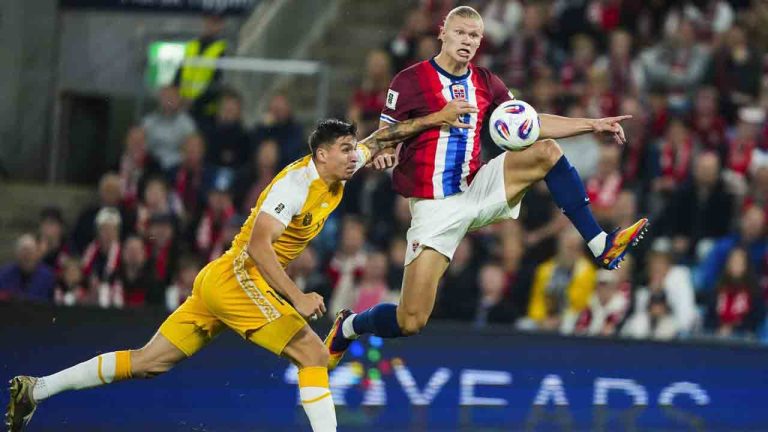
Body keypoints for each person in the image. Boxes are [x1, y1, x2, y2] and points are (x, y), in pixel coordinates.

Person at [4, 119, 420, 432]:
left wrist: (438, 117)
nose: (354, 155)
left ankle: (36, 388)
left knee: (148, 362)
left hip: (219, 276)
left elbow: (381, 139)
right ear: (322, 154)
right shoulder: (294, 186)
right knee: (313, 355)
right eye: (346, 150)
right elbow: (259, 247)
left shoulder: (339, 165)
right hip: (239, 276)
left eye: (353, 150)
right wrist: (297, 295)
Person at [325, 6, 648, 369]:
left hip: (476, 186)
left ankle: (600, 243)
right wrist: (382, 153)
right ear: (443, 32)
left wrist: (592, 123)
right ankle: (349, 325)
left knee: (545, 151)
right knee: (410, 320)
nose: (467, 41)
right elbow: (383, 134)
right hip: (435, 207)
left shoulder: (486, 82)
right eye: (461, 33)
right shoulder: (410, 80)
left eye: (474, 36)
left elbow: (530, 122)